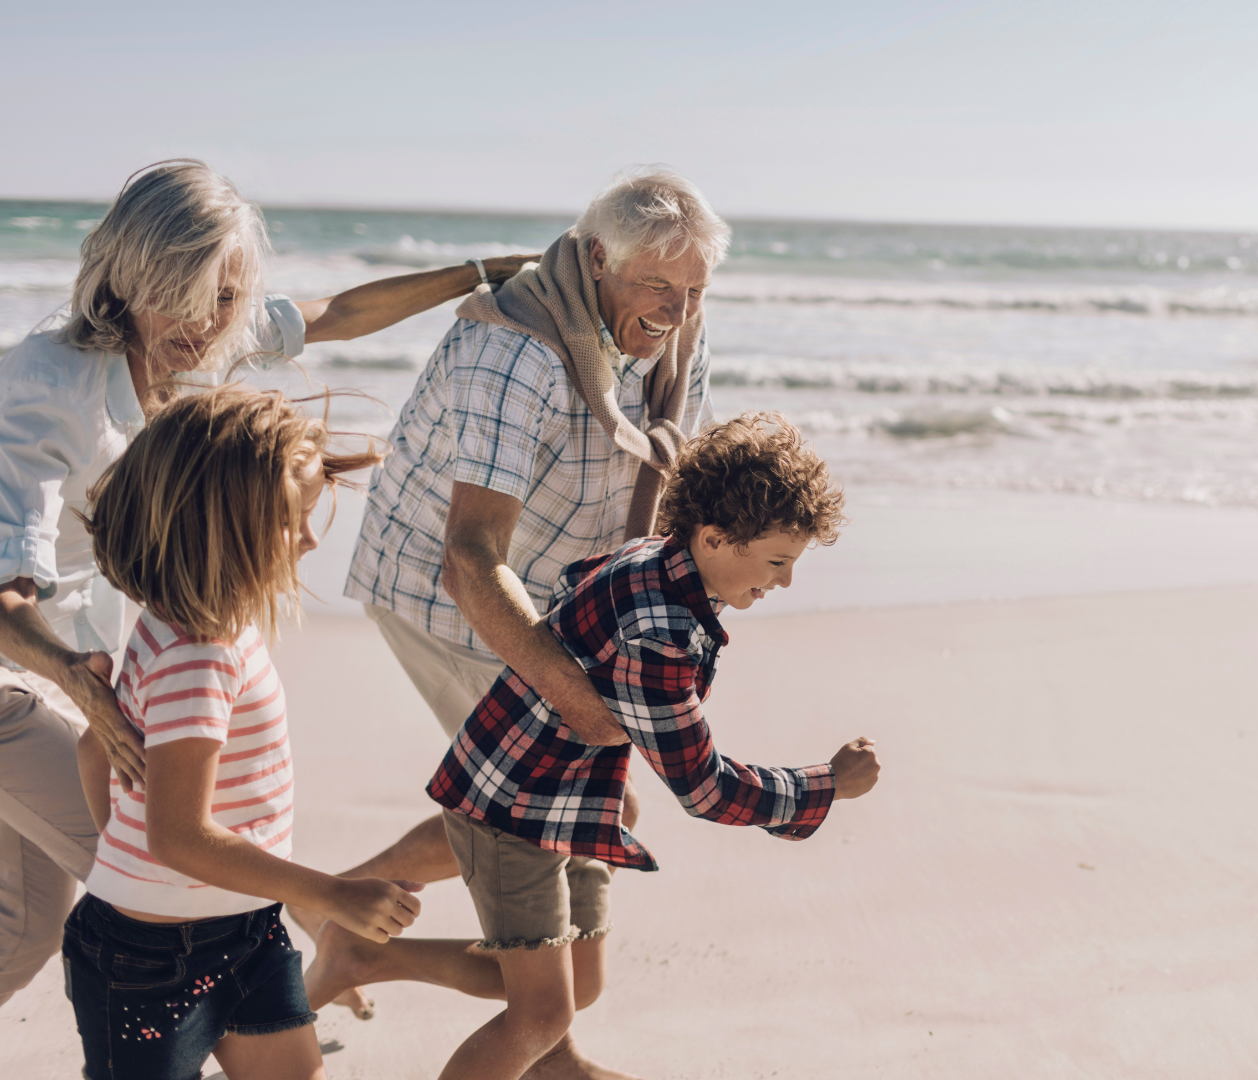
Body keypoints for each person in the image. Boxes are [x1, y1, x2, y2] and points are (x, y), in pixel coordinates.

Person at [0, 158, 535, 1010]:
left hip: (88, 679)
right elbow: (4, 596)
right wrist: (72, 680)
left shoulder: (205, 338)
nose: (207, 323)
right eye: (186, 292)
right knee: (167, 887)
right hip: (24, 681)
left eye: (225, 298)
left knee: (22, 927)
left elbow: (337, 313)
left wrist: (480, 276)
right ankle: (273, 996)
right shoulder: (41, 386)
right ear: (131, 272)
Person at [328, 167, 725, 1069]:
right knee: (566, 800)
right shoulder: (517, 348)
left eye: (695, 288)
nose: (676, 309)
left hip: (556, 584)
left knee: (575, 806)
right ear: (596, 259)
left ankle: (531, 1032)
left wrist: (638, 630)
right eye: (657, 285)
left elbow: (661, 475)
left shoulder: (680, 326)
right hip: (443, 591)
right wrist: (576, 697)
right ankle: (352, 908)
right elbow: (470, 558)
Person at [419, 412, 879, 1079]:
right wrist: (828, 783)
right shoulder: (660, 637)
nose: (783, 583)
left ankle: (371, 957)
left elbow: (573, 584)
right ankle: (373, 956)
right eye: (778, 562)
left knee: (578, 984)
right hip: (513, 809)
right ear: (717, 538)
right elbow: (706, 790)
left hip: (565, 796)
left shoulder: (656, 558)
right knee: (542, 1015)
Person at [64, 386, 420, 1080]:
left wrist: (122, 865)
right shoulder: (196, 656)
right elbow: (176, 836)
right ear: (221, 526)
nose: (314, 538)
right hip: (146, 966)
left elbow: (92, 752)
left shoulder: (190, 624)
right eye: (295, 520)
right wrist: (330, 894)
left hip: (245, 935)